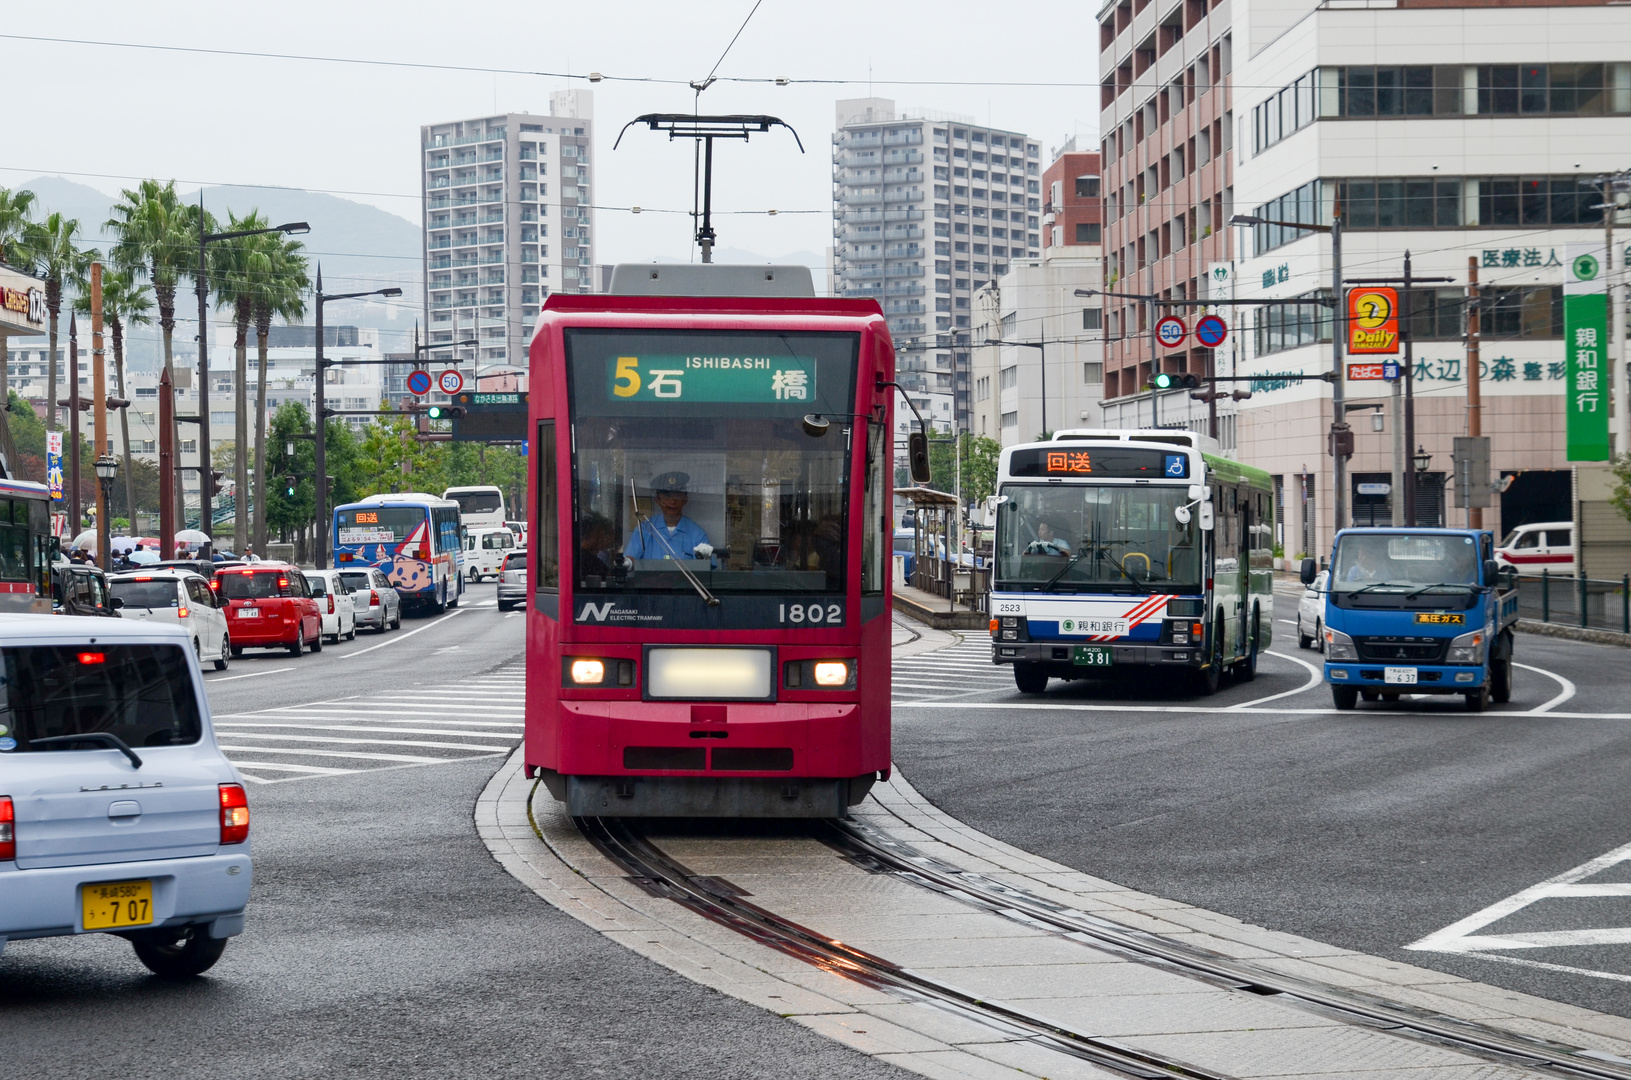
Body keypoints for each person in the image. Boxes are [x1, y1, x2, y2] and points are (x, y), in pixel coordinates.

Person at [625, 471, 714, 563]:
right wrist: (627, 563)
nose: (672, 501)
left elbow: (705, 568)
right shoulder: (644, 530)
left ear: (685, 499)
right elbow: (630, 560)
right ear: (658, 500)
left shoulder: (697, 534)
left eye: (677, 495)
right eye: (667, 496)